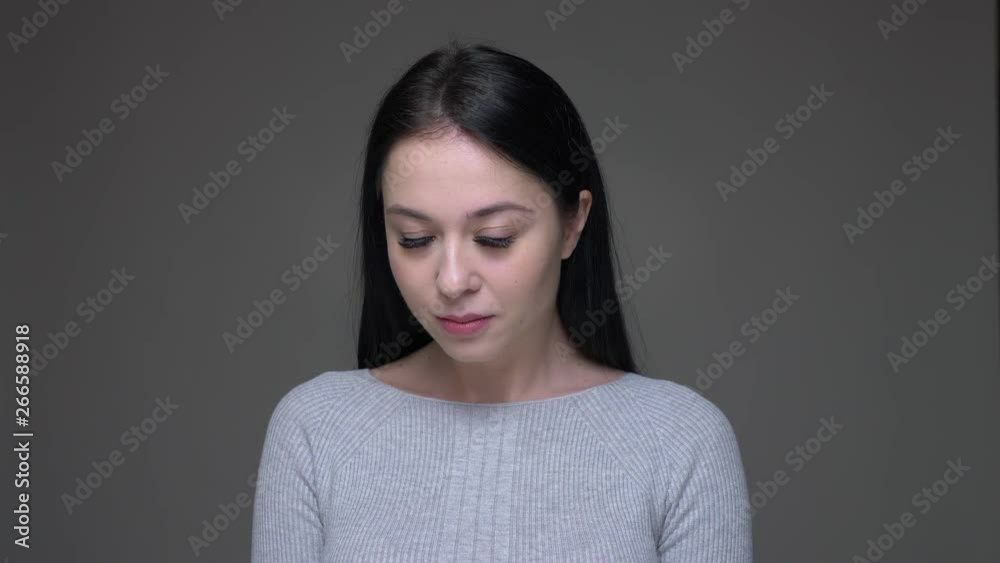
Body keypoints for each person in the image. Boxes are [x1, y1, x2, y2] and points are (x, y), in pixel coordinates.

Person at [251, 40, 752, 562]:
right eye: (415, 239)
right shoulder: (317, 429)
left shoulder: (679, 441)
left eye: (495, 238)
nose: (451, 281)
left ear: (573, 223)